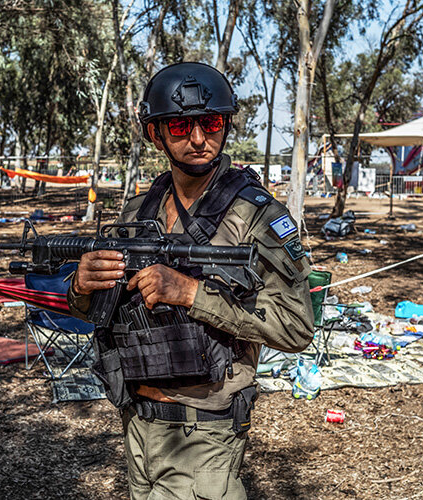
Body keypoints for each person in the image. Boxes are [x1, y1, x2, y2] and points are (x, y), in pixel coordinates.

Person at [67, 62, 313, 499]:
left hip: (204, 435)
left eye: (211, 122)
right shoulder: (139, 211)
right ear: (155, 134)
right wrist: (82, 287)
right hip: (136, 422)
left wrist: (191, 293)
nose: (198, 139)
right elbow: (98, 312)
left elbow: (295, 326)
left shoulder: (256, 214)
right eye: (180, 125)